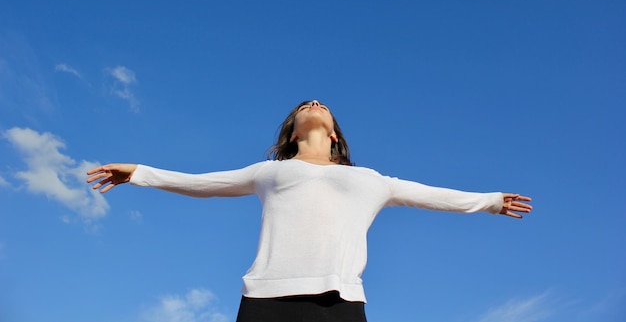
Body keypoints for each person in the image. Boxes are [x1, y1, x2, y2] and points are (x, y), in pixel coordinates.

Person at [86, 100, 532, 322]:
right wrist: (141, 172)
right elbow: (202, 184)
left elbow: (432, 194)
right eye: (304, 106)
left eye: (320, 106)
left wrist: (491, 202)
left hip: (339, 301)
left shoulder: (371, 180)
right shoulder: (269, 171)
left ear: (335, 135)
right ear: (292, 131)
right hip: (264, 300)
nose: (314, 103)